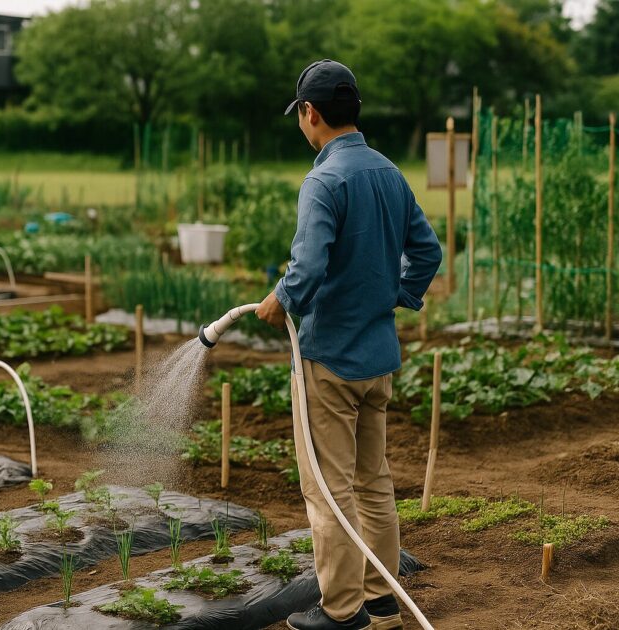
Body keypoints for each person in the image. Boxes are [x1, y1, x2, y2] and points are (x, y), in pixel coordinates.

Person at [256, 60, 442, 630]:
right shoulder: (389, 172)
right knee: (374, 483)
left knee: (328, 490)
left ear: (310, 113)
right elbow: (427, 251)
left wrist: (280, 299)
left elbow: (309, 265)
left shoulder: (324, 181)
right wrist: (394, 295)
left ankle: (341, 611)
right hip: (376, 359)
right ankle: (383, 602)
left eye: (300, 114)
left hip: (329, 361)